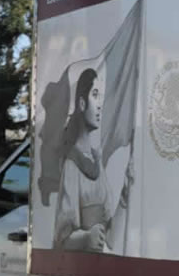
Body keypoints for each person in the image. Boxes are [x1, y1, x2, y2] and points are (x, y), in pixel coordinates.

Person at [54, 68, 134, 251]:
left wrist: (125, 194)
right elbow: (62, 239)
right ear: (82, 103)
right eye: (95, 95)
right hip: (80, 263)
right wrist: (86, 238)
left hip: (100, 263)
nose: (99, 105)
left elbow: (110, 240)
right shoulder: (72, 164)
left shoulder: (96, 162)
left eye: (101, 98)